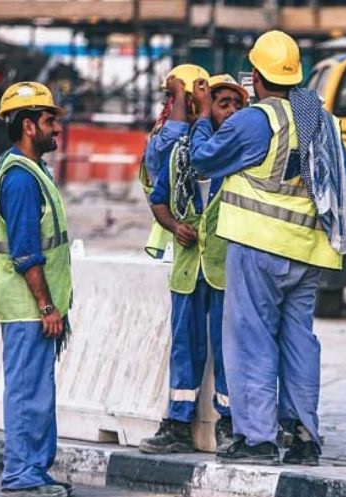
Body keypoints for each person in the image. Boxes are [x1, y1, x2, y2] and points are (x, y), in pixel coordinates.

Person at [190, 30, 346, 466]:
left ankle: (258, 438)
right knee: (299, 341)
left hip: (257, 247)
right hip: (308, 252)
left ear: (255, 78)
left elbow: (204, 160)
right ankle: (303, 435)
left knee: (251, 340)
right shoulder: (319, 119)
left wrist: (202, 116)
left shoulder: (254, 120)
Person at [139, 74, 249, 454]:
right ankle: (178, 423)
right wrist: (173, 226)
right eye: (223, 104)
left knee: (227, 347)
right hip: (188, 270)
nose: (231, 112)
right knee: (185, 346)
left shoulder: (241, 156)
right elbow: (158, 200)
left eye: (237, 105)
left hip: (225, 270)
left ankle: (230, 423)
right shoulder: (180, 154)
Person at [0, 82, 73, 497]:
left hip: (29, 306)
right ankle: (21, 475)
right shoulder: (19, 178)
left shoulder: (26, 170)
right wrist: (46, 305)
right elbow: (25, 251)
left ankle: (34, 471)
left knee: (36, 391)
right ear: (28, 125)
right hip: (27, 306)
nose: (57, 127)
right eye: (49, 120)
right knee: (26, 392)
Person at [139, 64, 210, 259]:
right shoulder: (160, 143)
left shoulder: (204, 139)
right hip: (173, 241)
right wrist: (180, 95)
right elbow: (173, 137)